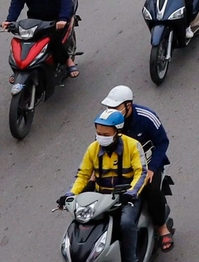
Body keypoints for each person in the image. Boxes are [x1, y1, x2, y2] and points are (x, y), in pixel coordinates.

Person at [60, 110, 148, 262]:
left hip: (126, 197)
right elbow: (82, 175)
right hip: (101, 199)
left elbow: (141, 172)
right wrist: (69, 194)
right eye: (98, 133)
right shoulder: (92, 149)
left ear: (117, 132)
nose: (101, 137)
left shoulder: (133, 146)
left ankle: (131, 259)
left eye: (106, 135)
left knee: (126, 223)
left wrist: (131, 192)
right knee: (83, 222)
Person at [101, 87, 173, 251]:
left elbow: (162, 142)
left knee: (152, 190)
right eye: (109, 108)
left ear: (128, 105)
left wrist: (152, 169)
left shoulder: (146, 117)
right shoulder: (107, 122)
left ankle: (161, 227)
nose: (112, 112)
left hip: (148, 165)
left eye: (116, 108)